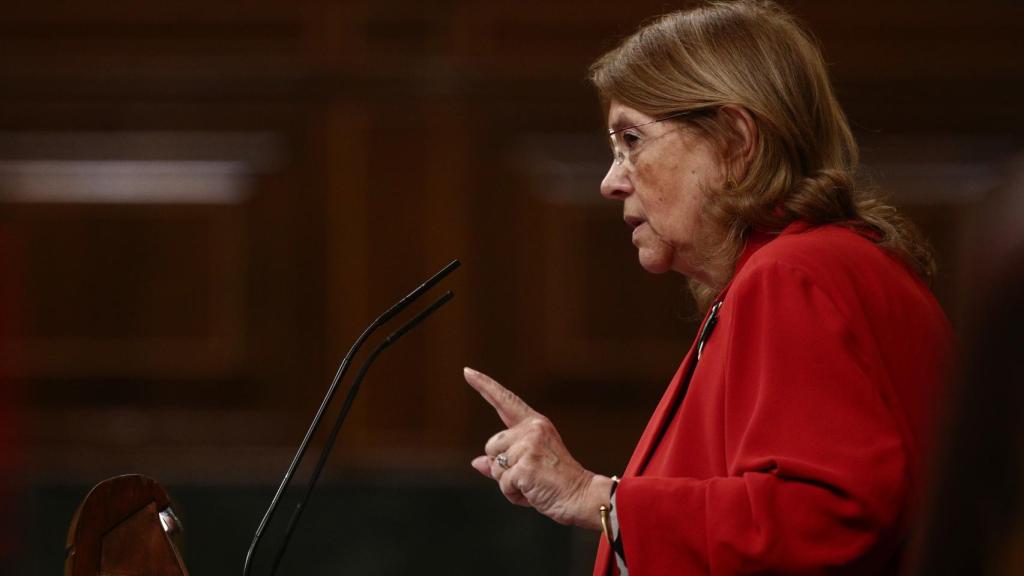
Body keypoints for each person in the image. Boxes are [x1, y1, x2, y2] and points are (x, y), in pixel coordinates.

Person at [465, 1, 953, 574]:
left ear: (735, 141)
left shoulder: (793, 275)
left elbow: (821, 520)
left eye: (632, 140)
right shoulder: (818, 267)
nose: (609, 181)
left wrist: (591, 496)